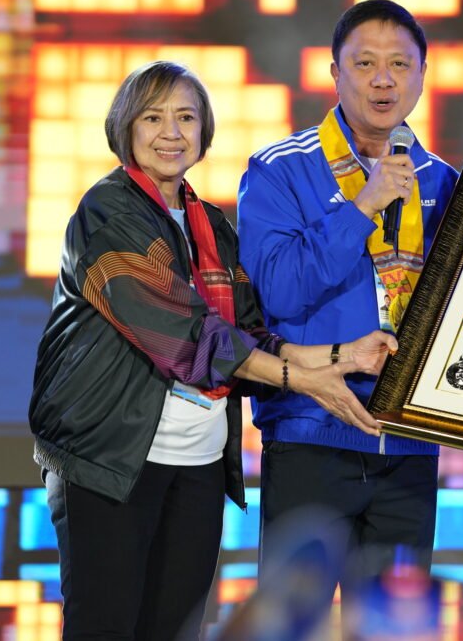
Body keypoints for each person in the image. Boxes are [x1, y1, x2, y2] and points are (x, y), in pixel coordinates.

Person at [27, 60, 395, 641]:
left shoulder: (212, 226)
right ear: (125, 127)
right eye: (153, 118)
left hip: (197, 464)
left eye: (186, 117)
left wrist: (340, 356)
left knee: (177, 630)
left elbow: (247, 334)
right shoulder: (107, 213)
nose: (171, 132)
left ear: (204, 131)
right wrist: (303, 380)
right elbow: (187, 337)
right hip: (110, 463)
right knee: (105, 629)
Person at [236, 0, 463, 614]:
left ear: (422, 76)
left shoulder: (444, 181)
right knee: (291, 623)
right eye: (365, 64)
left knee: (395, 626)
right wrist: (362, 207)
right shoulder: (280, 170)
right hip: (311, 432)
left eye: (400, 64)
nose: (383, 80)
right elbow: (277, 291)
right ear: (336, 73)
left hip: (408, 443)